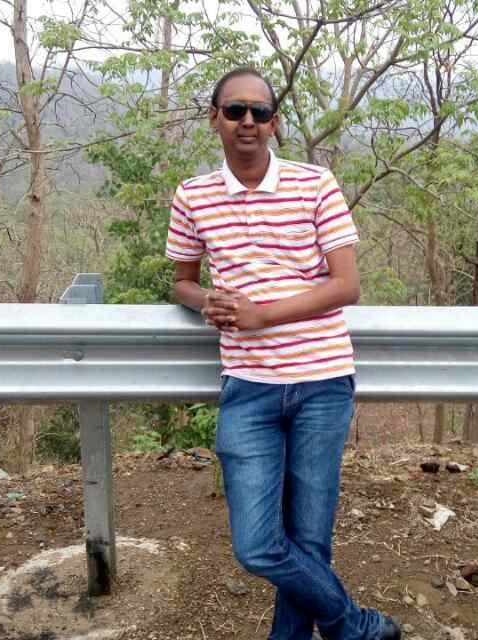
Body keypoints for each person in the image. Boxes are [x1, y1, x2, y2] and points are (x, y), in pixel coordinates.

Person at [165, 66, 403, 640]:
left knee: (310, 540)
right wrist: (206, 301)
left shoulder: (315, 185)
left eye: (261, 112)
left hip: (322, 382)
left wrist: (261, 315)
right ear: (214, 118)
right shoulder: (194, 195)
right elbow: (182, 282)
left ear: (274, 123)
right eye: (235, 110)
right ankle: (353, 624)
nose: (248, 121)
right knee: (256, 545)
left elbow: (347, 286)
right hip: (248, 387)